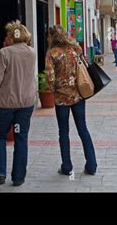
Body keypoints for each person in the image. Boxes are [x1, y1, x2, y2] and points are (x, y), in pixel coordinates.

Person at [0, 21, 37, 190]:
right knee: (21, 138)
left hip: (4, 105)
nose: (5, 38)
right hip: (26, 104)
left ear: (12, 36)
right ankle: (18, 177)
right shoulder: (32, 53)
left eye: (7, 35)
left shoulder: (4, 53)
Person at [45, 25, 97, 176]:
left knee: (63, 131)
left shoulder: (52, 53)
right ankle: (92, 164)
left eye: (48, 36)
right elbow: (85, 64)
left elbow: (50, 77)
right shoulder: (74, 50)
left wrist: (54, 88)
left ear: (52, 37)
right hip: (78, 96)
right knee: (83, 129)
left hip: (61, 99)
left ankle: (67, 166)